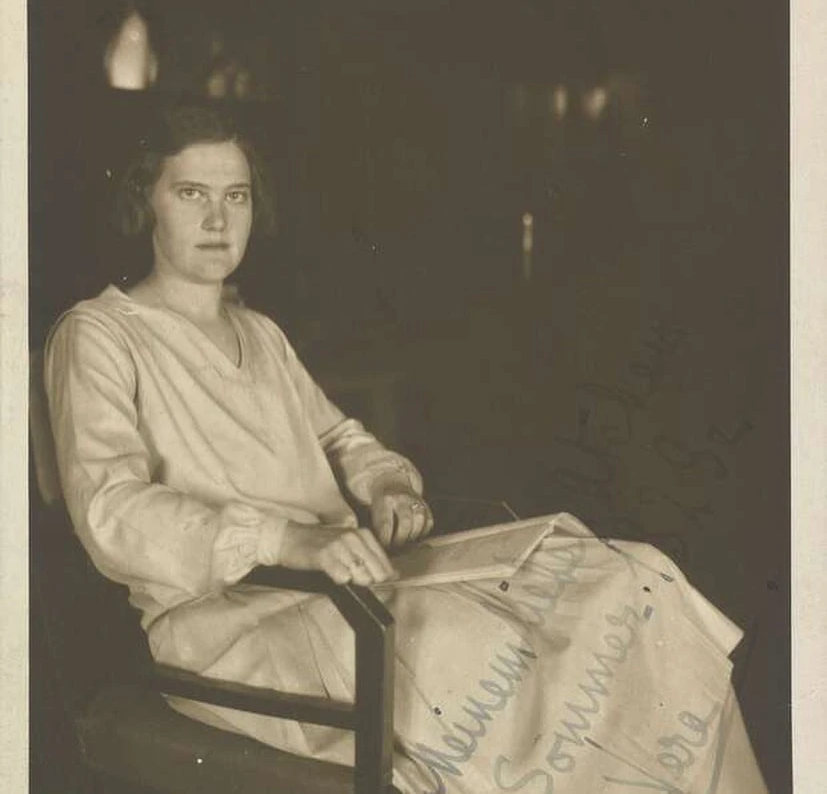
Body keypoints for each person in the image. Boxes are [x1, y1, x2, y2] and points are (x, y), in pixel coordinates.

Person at [44, 105, 768, 793]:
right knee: (487, 645)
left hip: (348, 592)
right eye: (191, 193)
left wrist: (386, 483)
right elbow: (111, 510)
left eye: (236, 196)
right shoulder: (100, 334)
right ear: (145, 201)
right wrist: (287, 539)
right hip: (234, 628)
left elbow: (337, 436)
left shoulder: (258, 332)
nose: (217, 219)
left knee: (626, 578)